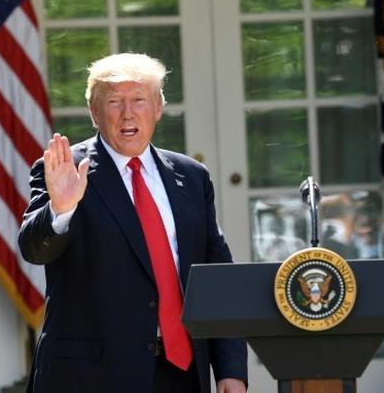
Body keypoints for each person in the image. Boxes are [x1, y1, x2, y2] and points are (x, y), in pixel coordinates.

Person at [19, 53, 247, 393]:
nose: (128, 113)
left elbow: (218, 275)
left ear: (158, 108)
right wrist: (62, 207)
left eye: (139, 100)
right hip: (94, 377)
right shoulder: (65, 170)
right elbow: (34, 248)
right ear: (95, 113)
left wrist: (230, 369)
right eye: (114, 102)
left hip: (180, 373)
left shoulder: (191, 176)